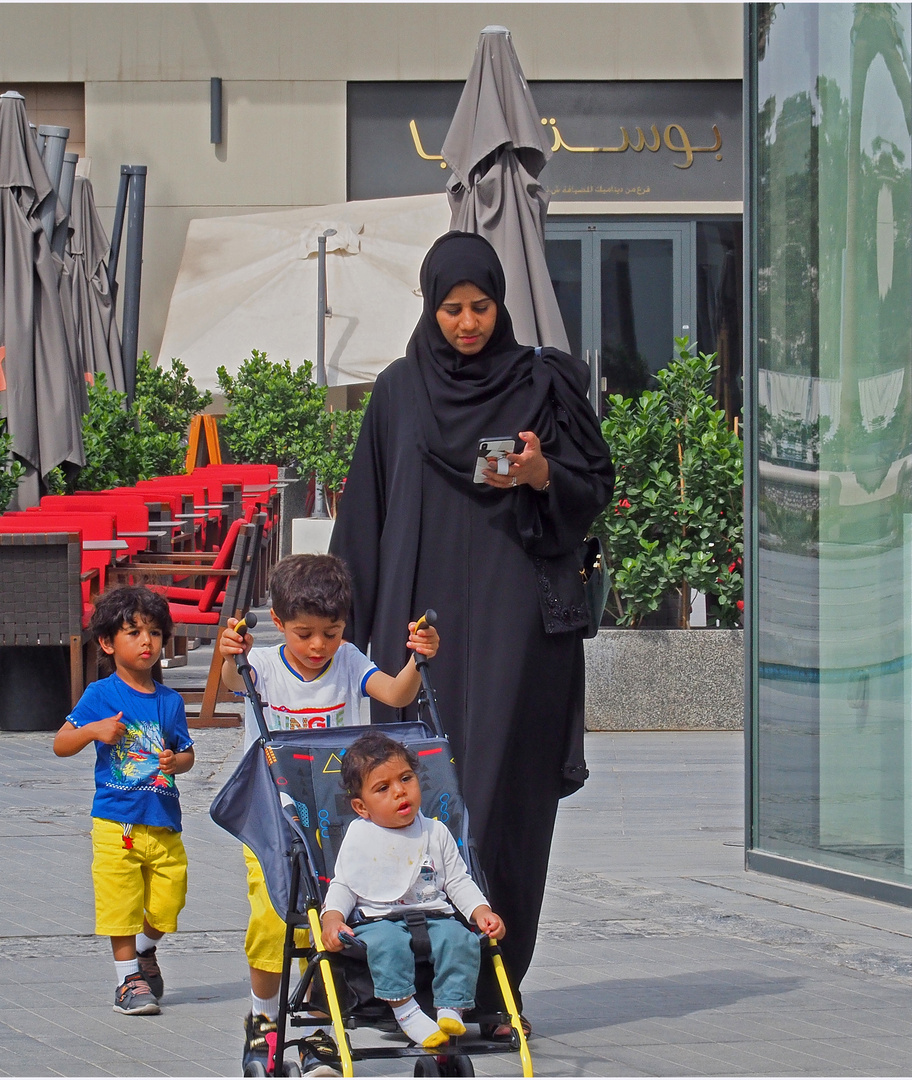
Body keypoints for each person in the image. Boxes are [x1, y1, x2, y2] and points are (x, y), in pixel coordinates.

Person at [330, 231, 612, 1037]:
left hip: (519, 633)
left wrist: (542, 474)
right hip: (418, 641)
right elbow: (365, 522)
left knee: (498, 806)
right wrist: (344, 645)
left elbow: (594, 485)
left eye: (480, 307)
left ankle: (489, 993)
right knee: (405, 802)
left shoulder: (543, 384)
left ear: (500, 304)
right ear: (429, 306)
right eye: (450, 308)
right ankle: (393, 990)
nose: (465, 323)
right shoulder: (398, 392)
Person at [218, 553, 439, 1076]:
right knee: (275, 921)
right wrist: (230, 654)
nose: (319, 646)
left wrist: (416, 660)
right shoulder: (265, 666)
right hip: (273, 822)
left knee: (334, 926)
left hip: (342, 827)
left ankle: (322, 1026)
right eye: (305, 633)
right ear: (277, 622)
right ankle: (263, 1018)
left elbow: (394, 693)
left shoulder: (350, 660)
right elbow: (232, 679)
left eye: (331, 632)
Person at [53, 586, 194, 1017]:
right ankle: (127, 979)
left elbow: (187, 754)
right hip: (117, 821)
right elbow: (61, 743)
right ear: (108, 642)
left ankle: (145, 947)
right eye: (133, 632)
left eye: (154, 632)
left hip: (163, 818)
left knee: (171, 899)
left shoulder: (170, 701)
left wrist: (177, 761)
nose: (146, 641)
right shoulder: (100, 694)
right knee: (121, 901)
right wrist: (93, 731)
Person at [320, 731, 505, 1048]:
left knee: (460, 938)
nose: (399, 792)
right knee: (386, 944)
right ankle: (405, 1011)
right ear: (362, 807)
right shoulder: (359, 836)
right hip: (378, 920)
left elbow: (458, 880)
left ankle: (451, 1005)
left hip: (434, 914)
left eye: (406, 778)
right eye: (383, 788)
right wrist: (332, 919)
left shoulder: (435, 831)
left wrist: (482, 911)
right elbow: (345, 883)